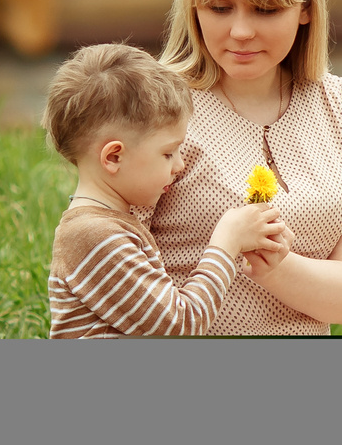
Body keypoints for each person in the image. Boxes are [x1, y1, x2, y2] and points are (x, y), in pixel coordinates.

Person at [150, 0, 342, 333]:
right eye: (219, 8)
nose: (240, 31)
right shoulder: (152, 103)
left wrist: (277, 267)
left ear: (307, 9)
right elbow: (106, 253)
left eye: (265, 8)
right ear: (193, 7)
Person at [41, 43, 286, 338]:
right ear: (113, 157)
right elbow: (178, 325)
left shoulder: (109, 227)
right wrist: (226, 243)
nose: (180, 164)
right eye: (168, 153)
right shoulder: (93, 237)